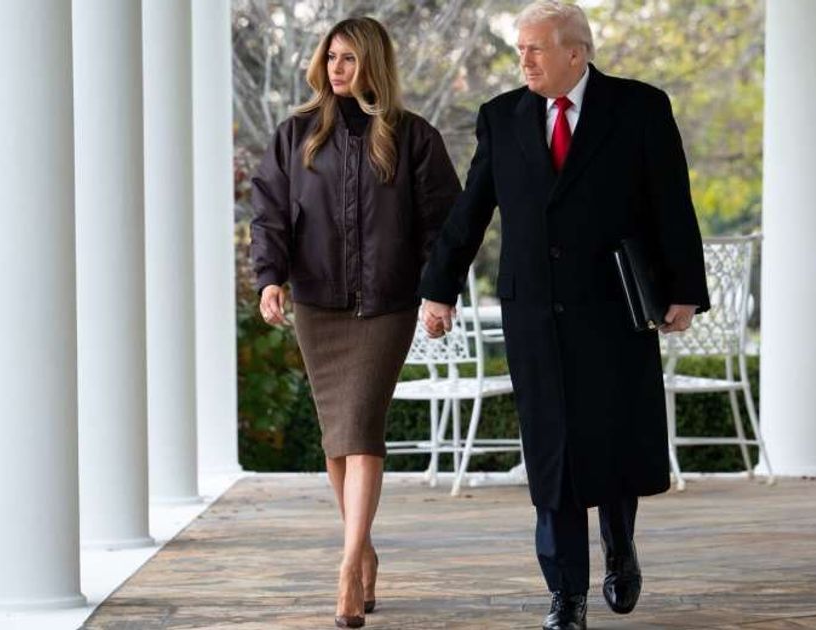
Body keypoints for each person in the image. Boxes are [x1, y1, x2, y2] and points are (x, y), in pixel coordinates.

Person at [417, 2, 711, 629]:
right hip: (534, 313)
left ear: (576, 52)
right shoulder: (501, 117)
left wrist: (682, 289)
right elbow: (471, 211)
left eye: (535, 49)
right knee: (551, 451)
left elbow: (671, 203)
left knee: (610, 438)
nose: (522, 59)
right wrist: (438, 289)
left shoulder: (639, 108)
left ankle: (621, 547)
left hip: (613, 307)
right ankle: (566, 595)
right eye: (519, 48)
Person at [249, 16, 461, 629]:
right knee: (337, 437)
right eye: (331, 57)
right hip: (318, 304)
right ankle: (363, 547)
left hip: (386, 305)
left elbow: (443, 224)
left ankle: (345, 567)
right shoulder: (296, 135)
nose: (337, 68)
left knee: (362, 425)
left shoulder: (413, 136)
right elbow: (268, 214)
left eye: (349, 58)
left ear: (373, 64)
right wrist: (270, 277)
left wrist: (436, 293)